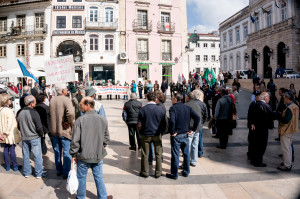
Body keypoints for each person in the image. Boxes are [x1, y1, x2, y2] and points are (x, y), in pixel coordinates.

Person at [70, 97, 112, 199]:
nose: (80, 107)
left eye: (81, 105)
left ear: (88, 105)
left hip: (83, 156)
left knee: (81, 177)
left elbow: (75, 141)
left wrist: (73, 154)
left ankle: (80, 197)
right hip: (98, 154)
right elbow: (106, 138)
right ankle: (103, 197)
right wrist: (100, 147)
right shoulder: (102, 119)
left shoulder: (79, 121)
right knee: (98, 177)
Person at [166, 93, 200, 179]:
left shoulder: (173, 108)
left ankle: (174, 174)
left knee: (175, 154)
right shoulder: (187, 108)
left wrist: (173, 131)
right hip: (185, 134)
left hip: (176, 135)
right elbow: (197, 118)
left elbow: (172, 121)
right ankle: (186, 171)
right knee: (186, 153)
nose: (171, 100)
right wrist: (193, 130)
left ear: (176, 100)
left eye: (172, 98)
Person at [17, 95, 47, 178]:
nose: (35, 103)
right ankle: (39, 173)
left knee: (26, 155)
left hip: (25, 137)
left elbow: (19, 126)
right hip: (34, 137)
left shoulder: (20, 112)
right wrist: (41, 134)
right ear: (31, 103)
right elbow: (39, 126)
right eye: (34, 101)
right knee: (37, 156)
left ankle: (27, 172)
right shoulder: (34, 112)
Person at [50, 84, 75, 179]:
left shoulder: (52, 99)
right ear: (63, 90)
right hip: (64, 131)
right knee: (66, 152)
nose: (67, 90)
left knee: (57, 151)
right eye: (66, 89)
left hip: (55, 130)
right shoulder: (66, 99)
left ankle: (58, 170)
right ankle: (65, 172)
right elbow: (71, 113)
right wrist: (69, 122)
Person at [138, 92, 165, 178]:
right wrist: (161, 132)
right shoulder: (160, 109)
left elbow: (139, 124)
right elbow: (164, 123)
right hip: (157, 134)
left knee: (145, 154)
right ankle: (158, 172)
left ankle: (145, 172)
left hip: (146, 134)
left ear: (147, 98)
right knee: (158, 154)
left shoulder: (143, 109)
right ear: (155, 98)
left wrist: (141, 132)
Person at [250, 92, 275, 167]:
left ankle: (254, 160)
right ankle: (258, 162)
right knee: (261, 146)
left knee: (255, 145)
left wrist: (252, 124)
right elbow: (271, 115)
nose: (269, 99)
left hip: (256, 128)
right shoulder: (265, 105)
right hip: (262, 129)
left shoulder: (255, 104)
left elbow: (251, 116)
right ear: (265, 98)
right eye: (268, 97)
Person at [277, 92, 299, 171]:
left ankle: (287, 165)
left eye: (284, 98)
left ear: (287, 98)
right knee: (288, 147)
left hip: (286, 130)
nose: (283, 99)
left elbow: (286, 120)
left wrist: (278, 116)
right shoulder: (295, 106)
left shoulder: (289, 108)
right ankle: (288, 162)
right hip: (292, 129)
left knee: (285, 148)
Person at [0, 93, 22, 171]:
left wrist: (1, 134)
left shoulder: (1, 110)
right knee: (11, 149)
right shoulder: (8, 110)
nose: (10, 100)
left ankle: (7, 166)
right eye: (9, 99)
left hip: (3, 133)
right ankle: (15, 166)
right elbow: (9, 123)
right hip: (8, 134)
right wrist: (6, 133)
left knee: (5, 149)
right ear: (6, 100)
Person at [185, 90, 206, 166]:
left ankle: (186, 162)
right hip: (197, 128)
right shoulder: (199, 104)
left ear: (188, 97)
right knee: (195, 145)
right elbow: (203, 116)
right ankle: (194, 161)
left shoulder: (187, 105)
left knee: (188, 146)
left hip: (190, 128)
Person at [247, 92, 260, 161]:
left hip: (253, 125)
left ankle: (251, 152)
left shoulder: (256, 104)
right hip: (252, 125)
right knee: (252, 140)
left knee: (252, 140)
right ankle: (250, 153)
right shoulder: (253, 104)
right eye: (258, 97)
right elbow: (250, 115)